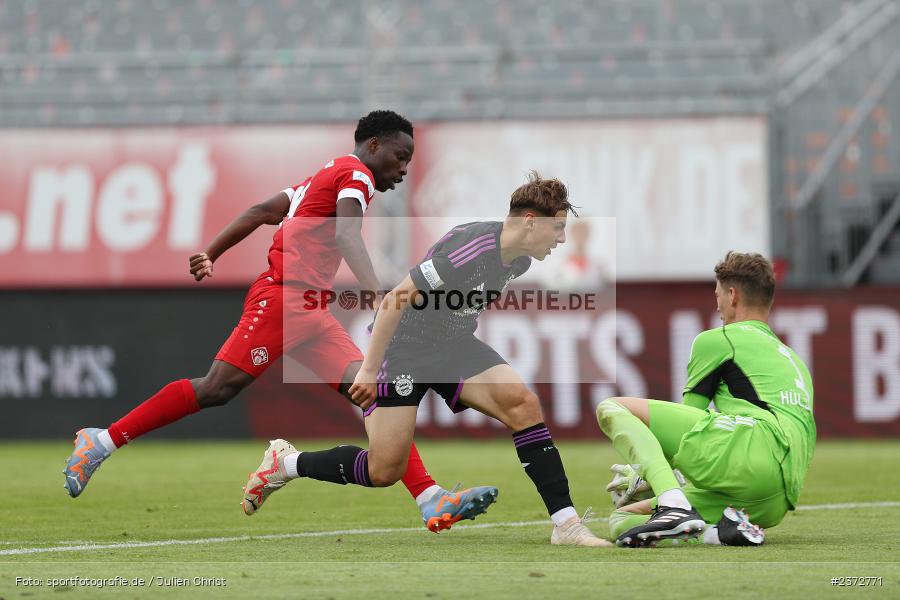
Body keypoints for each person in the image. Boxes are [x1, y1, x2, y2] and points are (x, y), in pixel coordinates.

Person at [63, 110, 497, 532]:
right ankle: (100, 441)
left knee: (375, 396)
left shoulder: (317, 181)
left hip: (311, 310)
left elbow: (259, 211)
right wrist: (379, 295)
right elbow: (347, 235)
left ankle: (429, 497)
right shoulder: (356, 176)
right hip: (283, 301)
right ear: (373, 144)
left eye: (409, 162)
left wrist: (212, 252)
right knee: (216, 388)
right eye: (400, 157)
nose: (402, 169)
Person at [242, 172, 612, 547]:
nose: (562, 239)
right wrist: (369, 369)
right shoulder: (468, 249)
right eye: (558, 228)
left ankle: (565, 524)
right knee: (384, 469)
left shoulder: (518, 261)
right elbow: (394, 300)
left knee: (523, 404)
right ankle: (286, 464)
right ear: (530, 221)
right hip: (404, 351)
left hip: (453, 346)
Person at [596, 251, 816, 547]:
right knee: (622, 521)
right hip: (776, 500)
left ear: (733, 295)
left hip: (752, 452)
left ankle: (674, 504)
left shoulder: (718, 340)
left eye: (718, 295)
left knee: (613, 407)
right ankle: (721, 533)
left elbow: (684, 443)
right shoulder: (796, 361)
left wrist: (643, 472)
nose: (717, 303)